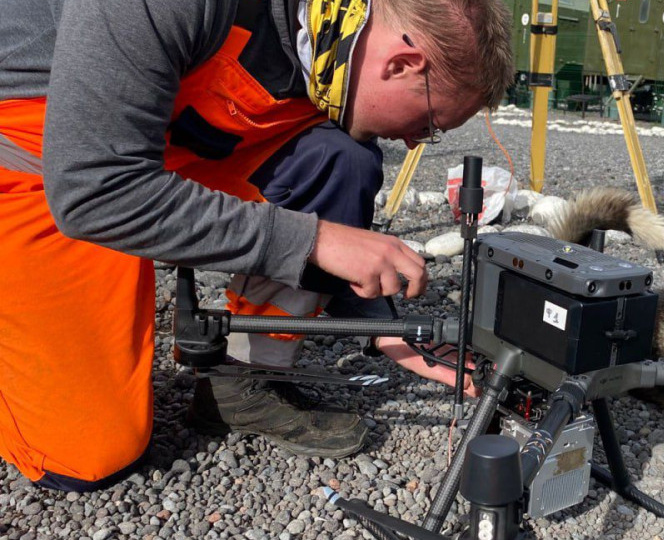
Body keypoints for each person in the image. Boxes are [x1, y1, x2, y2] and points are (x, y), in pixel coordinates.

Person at [0, 0, 513, 492]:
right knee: (88, 455)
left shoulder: (336, 31)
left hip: (167, 134)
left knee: (341, 158)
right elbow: (95, 190)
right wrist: (311, 239)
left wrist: (388, 328)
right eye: (429, 125)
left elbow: (326, 176)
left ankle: (243, 380)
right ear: (402, 63)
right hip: (44, 153)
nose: (414, 143)